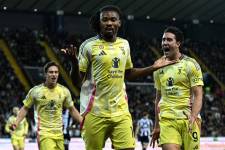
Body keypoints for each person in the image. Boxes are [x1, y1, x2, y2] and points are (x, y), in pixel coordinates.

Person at [62, 5, 177, 150]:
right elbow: (78, 82)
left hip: (121, 111)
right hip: (94, 112)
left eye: (113, 19)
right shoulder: (88, 46)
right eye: (105, 20)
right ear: (99, 23)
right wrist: (73, 62)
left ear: (119, 23)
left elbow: (128, 73)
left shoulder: (124, 44)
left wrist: (152, 68)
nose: (109, 23)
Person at [150, 26, 204, 150]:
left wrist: (194, 116)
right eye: (163, 40)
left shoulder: (191, 64)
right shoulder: (158, 66)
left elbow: (198, 94)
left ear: (178, 43)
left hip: (188, 118)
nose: (164, 43)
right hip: (167, 119)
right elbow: (158, 98)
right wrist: (157, 126)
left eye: (169, 40)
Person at [12, 61, 83, 150]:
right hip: (44, 134)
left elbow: (72, 109)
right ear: (45, 74)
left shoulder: (64, 91)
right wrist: (16, 122)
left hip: (59, 135)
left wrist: (83, 123)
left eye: (56, 72)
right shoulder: (36, 91)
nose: (54, 74)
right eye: (51, 72)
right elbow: (25, 108)